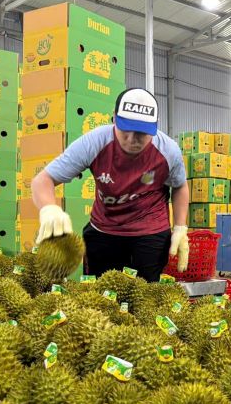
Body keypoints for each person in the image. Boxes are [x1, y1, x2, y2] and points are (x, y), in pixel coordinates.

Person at [31, 88, 190, 281]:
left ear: (155, 126)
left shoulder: (168, 150)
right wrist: (49, 209)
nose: (132, 140)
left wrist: (180, 227)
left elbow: (180, 185)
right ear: (114, 118)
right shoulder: (95, 142)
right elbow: (43, 180)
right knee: (98, 297)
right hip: (104, 228)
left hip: (150, 231)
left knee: (147, 295)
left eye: (141, 133)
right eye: (125, 129)